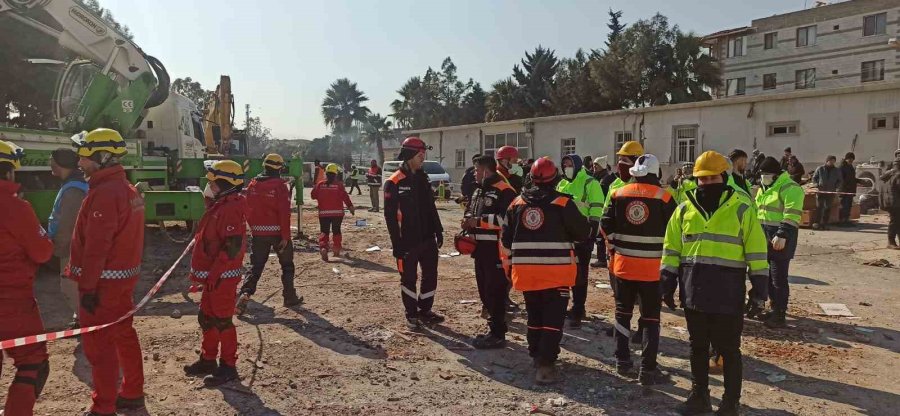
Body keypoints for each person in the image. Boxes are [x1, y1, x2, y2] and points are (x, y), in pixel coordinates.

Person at [661, 151, 769, 416]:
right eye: (702, 179)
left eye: (712, 178)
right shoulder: (684, 208)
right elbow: (672, 247)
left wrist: (759, 287)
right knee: (697, 347)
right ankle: (699, 397)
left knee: (729, 349)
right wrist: (666, 280)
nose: (707, 183)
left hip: (727, 292)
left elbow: (756, 249)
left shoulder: (741, 207)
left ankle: (730, 404)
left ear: (724, 177)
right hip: (694, 290)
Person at [68, 128, 146, 415]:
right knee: (124, 335)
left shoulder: (105, 194)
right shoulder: (124, 189)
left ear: (102, 157)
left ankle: (103, 407)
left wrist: (87, 289)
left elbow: (96, 248)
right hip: (120, 283)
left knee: (100, 349)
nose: (79, 162)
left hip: (102, 286)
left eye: (84, 156)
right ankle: (133, 392)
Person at [502, 157, 588, 384]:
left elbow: (506, 239)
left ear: (531, 178)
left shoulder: (516, 203)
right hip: (556, 273)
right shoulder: (562, 203)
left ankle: (535, 355)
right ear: (556, 179)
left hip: (526, 272)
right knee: (553, 319)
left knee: (534, 315)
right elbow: (583, 233)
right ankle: (546, 364)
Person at [601, 154, 676, 385]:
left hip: (623, 267)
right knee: (651, 319)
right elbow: (675, 232)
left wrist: (615, 246)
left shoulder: (618, 193)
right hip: (653, 270)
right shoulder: (665, 197)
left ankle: (622, 361)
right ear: (656, 173)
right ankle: (648, 369)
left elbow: (604, 225)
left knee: (622, 314)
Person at [183, 160, 249, 387]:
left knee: (222, 321)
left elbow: (231, 247)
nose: (208, 186)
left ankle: (228, 366)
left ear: (226, 184)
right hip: (213, 276)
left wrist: (215, 274)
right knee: (207, 318)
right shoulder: (220, 206)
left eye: (212, 182)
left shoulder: (230, 209)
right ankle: (208, 359)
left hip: (223, 276)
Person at [0, 140, 54, 416]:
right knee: (33, 363)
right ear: (9, 172)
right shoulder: (17, 209)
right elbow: (43, 252)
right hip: (12, 303)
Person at [384, 137, 445, 329]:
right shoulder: (393, 182)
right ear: (410, 155)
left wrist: (438, 230)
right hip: (407, 241)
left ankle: (425, 310)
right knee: (408, 279)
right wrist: (397, 244)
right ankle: (411, 314)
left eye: (424, 154)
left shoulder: (423, 178)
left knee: (430, 275)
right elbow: (390, 218)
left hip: (427, 238)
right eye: (420, 155)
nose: (423, 158)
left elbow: (431, 208)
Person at [461, 155, 517, 349]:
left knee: (496, 291)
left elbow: (506, 220)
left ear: (486, 170)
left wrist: (479, 222)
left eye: (476, 170)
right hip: (480, 250)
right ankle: (493, 329)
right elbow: (471, 210)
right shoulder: (478, 190)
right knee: (485, 292)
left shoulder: (505, 191)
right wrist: (467, 221)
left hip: (497, 250)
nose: (474, 174)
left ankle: (498, 333)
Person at [236, 154, 301, 315]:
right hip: (278, 233)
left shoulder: (253, 184)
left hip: (259, 233)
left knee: (255, 266)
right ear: (279, 168)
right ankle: (289, 297)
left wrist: (256, 229)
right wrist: (285, 236)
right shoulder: (279, 186)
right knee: (287, 266)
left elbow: (248, 209)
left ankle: (245, 293)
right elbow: (284, 212)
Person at [754, 157, 804, 328]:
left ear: (776, 174)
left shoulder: (791, 188)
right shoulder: (764, 189)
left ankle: (780, 314)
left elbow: (792, 214)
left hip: (781, 238)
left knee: (778, 278)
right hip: (764, 238)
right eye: (762, 174)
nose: (763, 177)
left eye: (766, 174)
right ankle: (774, 308)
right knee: (768, 277)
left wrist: (782, 234)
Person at [556, 154, 604, 328]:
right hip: (563, 236)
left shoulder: (590, 183)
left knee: (580, 275)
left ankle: (578, 308)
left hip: (582, 235)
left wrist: (591, 231)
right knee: (563, 274)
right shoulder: (562, 184)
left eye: (569, 165)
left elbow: (597, 208)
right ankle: (564, 306)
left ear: (576, 165)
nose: (566, 168)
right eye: (564, 165)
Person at [48, 147, 88, 328]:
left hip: (71, 249)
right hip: (74, 247)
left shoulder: (73, 190)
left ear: (60, 164)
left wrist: (59, 249)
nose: (50, 163)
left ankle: (84, 320)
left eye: (52, 160)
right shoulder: (73, 185)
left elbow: (69, 224)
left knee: (69, 287)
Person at [311, 163, 355, 261]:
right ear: (336, 174)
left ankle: (323, 248)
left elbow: (313, 195)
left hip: (323, 213)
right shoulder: (339, 185)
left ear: (326, 173)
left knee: (324, 232)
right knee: (336, 231)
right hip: (337, 213)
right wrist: (350, 207)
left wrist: (315, 185)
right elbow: (345, 197)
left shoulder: (320, 184)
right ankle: (336, 249)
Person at [811, 155, 842, 230]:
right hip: (821, 191)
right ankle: (816, 223)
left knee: (827, 208)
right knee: (819, 207)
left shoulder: (836, 170)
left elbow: (840, 180)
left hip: (831, 192)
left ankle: (825, 224)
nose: (832, 163)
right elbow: (814, 178)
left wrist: (837, 188)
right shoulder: (820, 168)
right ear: (827, 161)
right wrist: (816, 185)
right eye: (830, 161)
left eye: (833, 161)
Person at [591, 161, 611, 268]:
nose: (594, 167)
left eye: (596, 165)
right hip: (601, 209)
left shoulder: (604, 179)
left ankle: (601, 259)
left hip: (602, 210)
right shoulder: (601, 177)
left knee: (600, 236)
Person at [880, 159, 900, 249]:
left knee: (897, 221)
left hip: (889, 202)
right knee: (895, 221)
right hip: (896, 202)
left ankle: (892, 241)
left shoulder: (888, 174)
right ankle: (891, 242)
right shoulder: (898, 175)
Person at [837, 152, 861, 226]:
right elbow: (841, 179)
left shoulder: (850, 167)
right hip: (844, 190)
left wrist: (859, 181)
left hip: (850, 190)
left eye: (852, 159)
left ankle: (846, 220)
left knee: (848, 205)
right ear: (846, 159)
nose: (851, 161)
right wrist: (845, 186)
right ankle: (841, 221)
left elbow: (852, 178)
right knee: (844, 206)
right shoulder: (842, 167)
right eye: (850, 159)